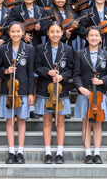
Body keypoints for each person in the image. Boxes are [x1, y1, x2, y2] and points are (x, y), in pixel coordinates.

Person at [34, 22, 74, 164]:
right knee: (46, 121)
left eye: (58, 32)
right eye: (52, 32)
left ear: (62, 33)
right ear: (48, 33)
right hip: (45, 88)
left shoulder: (68, 49)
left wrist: (62, 76)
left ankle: (59, 152)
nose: (55, 34)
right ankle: (48, 152)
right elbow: (36, 66)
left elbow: (71, 69)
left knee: (60, 121)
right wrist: (47, 72)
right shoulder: (40, 48)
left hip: (61, 89)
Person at [73, 26, 107, 164]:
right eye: (91, 35)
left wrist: (102, 81)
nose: (94, 38)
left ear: (100, 38)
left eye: (97, 35)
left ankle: (97, 152)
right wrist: (80, 88)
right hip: (85, 93)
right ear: (87, 37)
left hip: (99, 94)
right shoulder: (79, 54)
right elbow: (76, 74)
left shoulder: (106, 55)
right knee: (86, 123)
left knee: (97, 124)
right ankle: (87, 152)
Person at [0, 22, 35, 164]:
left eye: (18, 31)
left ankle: (20, 151)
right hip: (8, 90)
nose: (16, 34)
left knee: (21, 120)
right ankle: (11, 151)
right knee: (9, 120)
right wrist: (5, 71)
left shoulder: (29, 49)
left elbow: (31, 72)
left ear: (23, 32)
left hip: (23, 89)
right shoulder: (2, 49)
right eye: (13, 31)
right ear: (8, 32)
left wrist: (31, 93)